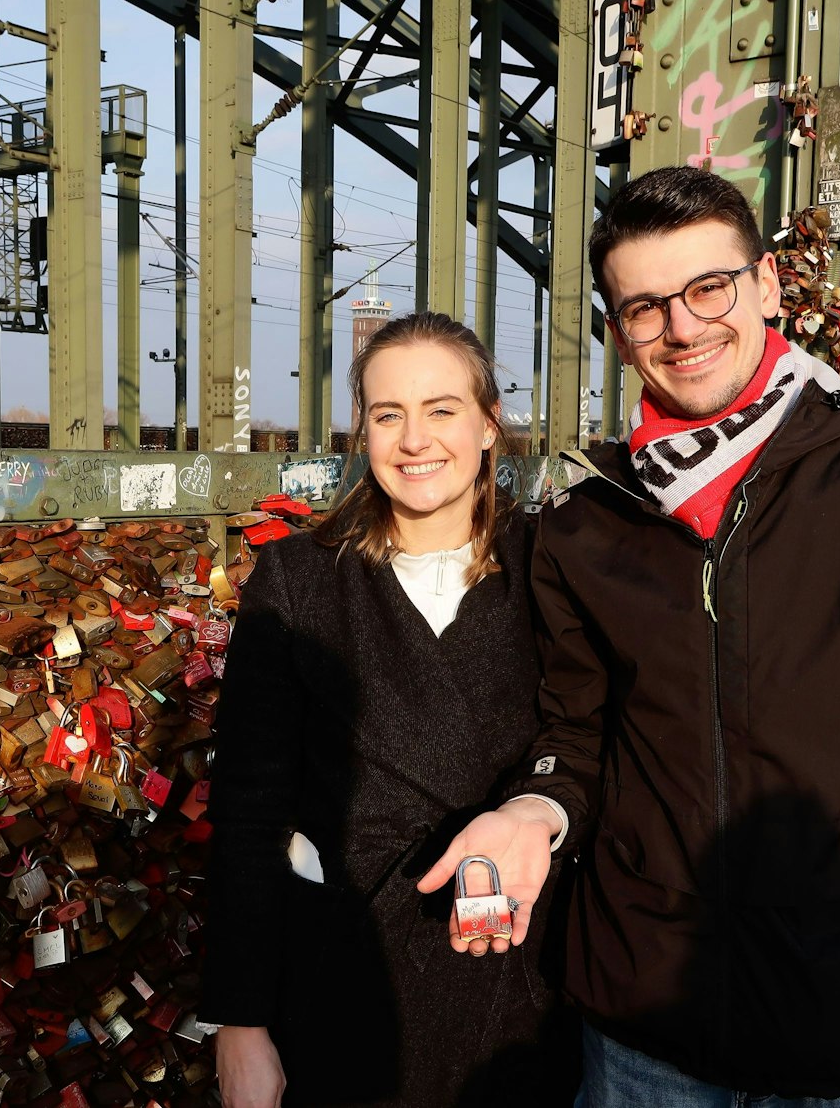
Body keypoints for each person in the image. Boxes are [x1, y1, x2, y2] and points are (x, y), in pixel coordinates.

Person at [420, 166, 840, 1107]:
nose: (682, 327)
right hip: (640, 1036)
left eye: (708, 288)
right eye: (645, 307)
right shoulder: (586, 519)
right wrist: (535, 809)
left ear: (766, 286)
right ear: (618, 331)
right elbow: (578, 734)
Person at [202, 312, 577, 1108]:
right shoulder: (299, 578)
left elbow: (592, 741)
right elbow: (247, 810)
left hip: (520, 980)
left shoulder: (555, 565)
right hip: (343, 982)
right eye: (387, 415)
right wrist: (241, 1022)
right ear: (362, 432)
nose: (415, 440)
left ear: (487, 424)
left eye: (441, 409)